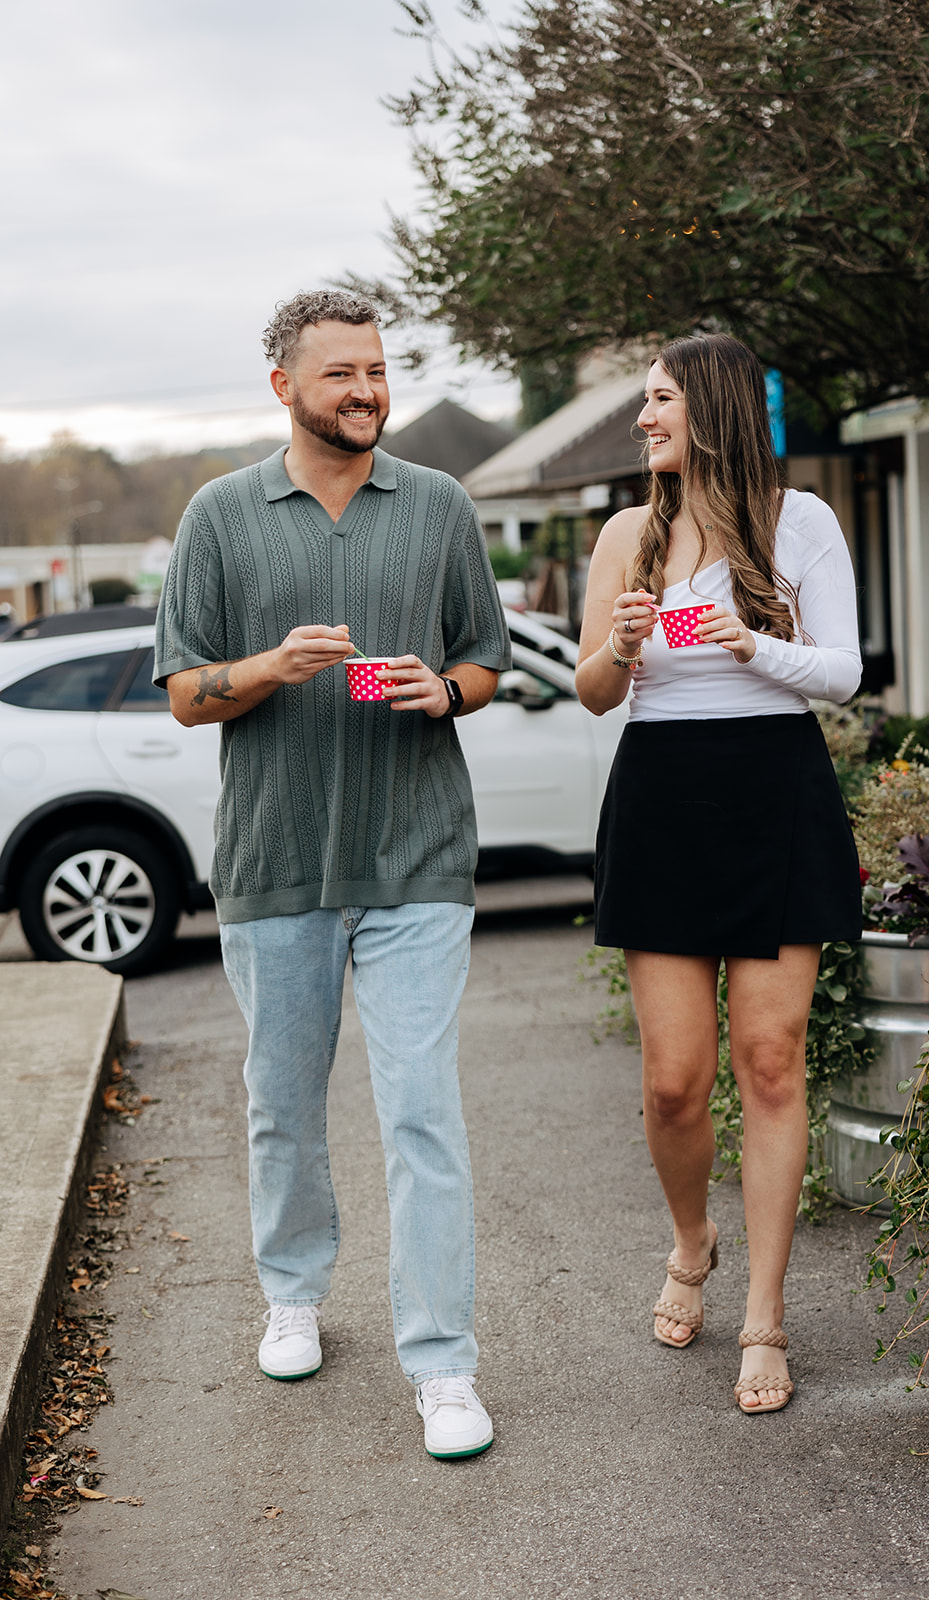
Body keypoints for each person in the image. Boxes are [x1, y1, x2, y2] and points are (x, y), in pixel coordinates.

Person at [154, 289, 511, 1459]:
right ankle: (294, 1294)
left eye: (375, 369)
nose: (364, 390)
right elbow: (184, 692)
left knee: (421, 1110)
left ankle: (443, 1366)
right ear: (284, 388)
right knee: (283, 1103)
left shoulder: (442, 505)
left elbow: (487, 661)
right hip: (276, 862)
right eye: (338, 374)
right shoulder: (218, 515)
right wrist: (270, 664)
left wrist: (442, 690)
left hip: (416, 855)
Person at [575, 333, 861, 1414]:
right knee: (673, 1079)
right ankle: (691, 1242)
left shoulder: (802, 522)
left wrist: (749, 644)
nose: (643, 419)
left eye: (657, 401)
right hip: (663, 796)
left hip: (773, 789)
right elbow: (593, 693)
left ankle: (766, 1315)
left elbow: (840, 671)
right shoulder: (624, 534)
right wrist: (621, 643)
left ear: (710, 407)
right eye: (642, 402)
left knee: (771, 1060)